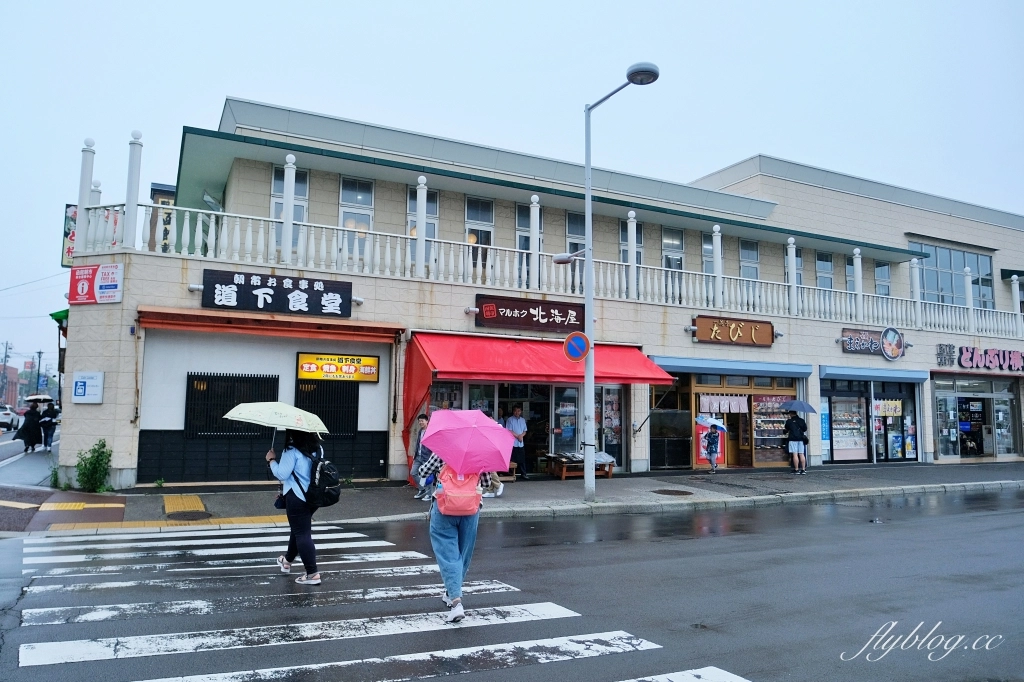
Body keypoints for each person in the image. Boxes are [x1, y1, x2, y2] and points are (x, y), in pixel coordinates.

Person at [417, 451, 491, 623]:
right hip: (470, 509)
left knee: (448, 554)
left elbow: (422, 472)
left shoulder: (442, 451)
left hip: (444, 508)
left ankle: (456, 602)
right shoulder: (478, 454)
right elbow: (486, 482)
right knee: (464, 553)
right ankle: (451, 591)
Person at [266, 429, 322, 585]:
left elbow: (282, 474)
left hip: (297, 497)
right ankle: (287, 561)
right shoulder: (317, 448)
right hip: (313, 496)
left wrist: (271, 460)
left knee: (302, 533)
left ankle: (312, 574)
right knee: (299, 530)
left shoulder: (291, 450)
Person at [411, 413, 435, 501]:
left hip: (427, 456)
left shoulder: (430, 431)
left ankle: (429, 494)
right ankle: (422, 489)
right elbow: (418, 443)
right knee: (413, 472)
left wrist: (432, 456)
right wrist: (415, 453)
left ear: (427, 421)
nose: (420, 422)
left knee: (428, 475)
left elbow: (433, 445)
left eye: (422, 421)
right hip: (418, 456)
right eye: (419, 421)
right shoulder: (420, 431)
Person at [505, 404, 529, 480]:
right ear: (513, 411)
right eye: (515, 410)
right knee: (512, 459)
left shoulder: (523, 420)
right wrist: (518, 436)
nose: (517, 412)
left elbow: (525, 430)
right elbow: (509, 430)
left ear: (521, 411)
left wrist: (521, 436)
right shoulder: (510, 420)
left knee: (522, 459)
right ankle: (511, 474)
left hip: (520, 443)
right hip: (513, 443)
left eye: (518, 411)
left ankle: (523, 474)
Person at [784, 410, 809, 474]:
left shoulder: (789, 421)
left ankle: (796, 469)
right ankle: (803, 469)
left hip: (792, 439)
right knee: (801, 454)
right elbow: (805, 429)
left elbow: (786, 428)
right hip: (801, 439)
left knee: (795, 454)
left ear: (791, 414)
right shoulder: (802, 420)